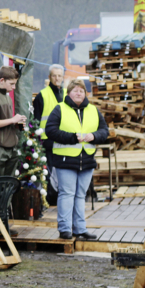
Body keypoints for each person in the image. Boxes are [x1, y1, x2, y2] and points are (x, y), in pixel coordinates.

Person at [45, 79, 109, 240]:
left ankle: (80, 228)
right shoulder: (60, 109)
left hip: (86, 160)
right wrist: (72, 138)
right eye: (75, 90)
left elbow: (104, 131)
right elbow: (50, 130)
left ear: (85, 94)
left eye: (81, 90)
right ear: (69, 93)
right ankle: (65, 228)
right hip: (65, 160)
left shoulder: (93, 110)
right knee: (66, 194)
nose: (79, 93)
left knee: (80, 195)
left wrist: (93, 136)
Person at [33, 65, 65, 205]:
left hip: (64, 139)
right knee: (50, 171)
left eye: (59, 76)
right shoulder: (42, 95)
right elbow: (36, 120)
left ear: (63, 77)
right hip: (48, 141)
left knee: (63, 170)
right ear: (49, 77)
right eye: (54, 76)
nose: (57, 78)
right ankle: (52, 198)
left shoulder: (66, 95)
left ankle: (62, 195)